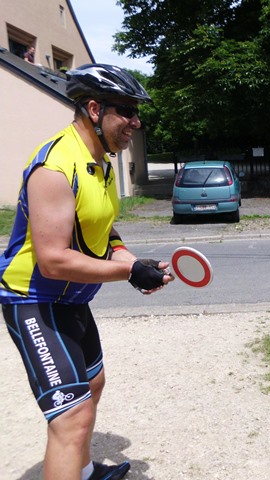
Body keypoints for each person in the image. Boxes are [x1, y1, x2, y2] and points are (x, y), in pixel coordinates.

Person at [0, 64, 173, 480]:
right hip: (34, 301)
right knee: (71, 418)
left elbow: (99, 225)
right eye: (127, 110)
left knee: (91, 387)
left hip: (73, 298)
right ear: (94, 109)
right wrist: (128, 273)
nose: (136, 121)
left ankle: (84, 471)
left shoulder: (101, 162)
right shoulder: (56, 167)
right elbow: (53, 259)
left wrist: (130, 259)